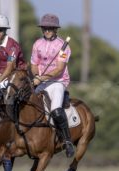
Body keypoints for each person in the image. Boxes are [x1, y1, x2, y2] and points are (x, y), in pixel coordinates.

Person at [30, 13, 74, 158]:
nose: (47, 31)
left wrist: (41, 78)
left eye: (50, 28)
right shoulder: (37, 44)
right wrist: (36, 76)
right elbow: (34, 65)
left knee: (55, 110)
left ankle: (67, 141)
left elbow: (59, 69)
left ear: (55, 29)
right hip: (41, 81)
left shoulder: (63, 46)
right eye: (45, 28)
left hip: (58, 82)